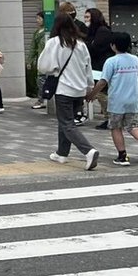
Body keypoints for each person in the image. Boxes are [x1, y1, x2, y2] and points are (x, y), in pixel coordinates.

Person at [86, 31, 138, 166]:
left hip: (117, 101)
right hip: (134, 100)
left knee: (116, 127)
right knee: (133, 127)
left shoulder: (111, 62)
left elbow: (103, 81)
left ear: (113, 46)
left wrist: (92, 94)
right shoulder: (135, 60)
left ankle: (122, 156)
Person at [37, 13, 99, 170]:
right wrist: (89, 87)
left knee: (67, 123)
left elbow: (44, 66)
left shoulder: (55, 43)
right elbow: (88, 67)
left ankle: (88, 151)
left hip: (64, 89)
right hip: (80, 90)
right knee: (65, 121)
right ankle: (61, 153)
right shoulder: (80, 44)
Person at [84, 8, 113, 128]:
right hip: (95, 65)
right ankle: (108, 117)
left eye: (88, 17)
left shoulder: (102, 31)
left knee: (101, 92)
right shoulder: (92, 31)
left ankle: (110, 117)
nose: (85, 20)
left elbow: (96, 48)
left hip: (101, 65)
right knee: (100, 92)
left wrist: (86, 45)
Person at [28, 12, 48, 109]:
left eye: (39, 18)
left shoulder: (49, 32)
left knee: (45, 80)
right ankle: (42, 99)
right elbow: (33, 48)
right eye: (37, 18)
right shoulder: (37, 33)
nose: (37, 20)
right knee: (40, 80)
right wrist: (30, 61)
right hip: (40, 59)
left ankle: (44, 99)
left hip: (49, 60)